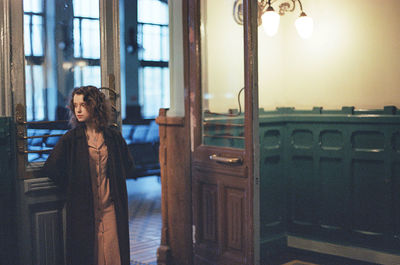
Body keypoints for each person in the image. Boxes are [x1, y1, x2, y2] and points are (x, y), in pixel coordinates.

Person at [41, 85, 134, 265]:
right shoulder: (71, 138)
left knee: (113, 252)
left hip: (110, 206)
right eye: (75, 105)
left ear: (95, 106)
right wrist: (74, 185)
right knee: (88, 253)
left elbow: (129, 166)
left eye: (83, 104)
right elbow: (51, 168)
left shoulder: (113, 137)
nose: (78, 110)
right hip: (84, 207)